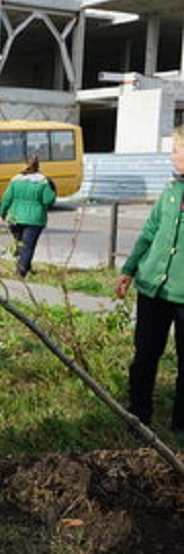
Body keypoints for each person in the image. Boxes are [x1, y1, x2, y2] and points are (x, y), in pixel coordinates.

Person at [115, 124, 184, 438]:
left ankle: (180, 423)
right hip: (153, 288)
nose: (171, 156)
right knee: (144, 355)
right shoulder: (171, 190)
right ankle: (139, 417)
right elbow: (149, 232)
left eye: (176, 150)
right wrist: (129, 270)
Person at [0, 155, 56, 277]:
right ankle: (21, 271)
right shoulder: (42, 181)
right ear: (38, 166)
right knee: (28, 246)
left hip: (14, 217)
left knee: (20, 244)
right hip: (35, 219)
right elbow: (48, 200)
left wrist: (2, 214)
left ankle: (26, 267)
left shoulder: (15, 180)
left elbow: (6, 198)